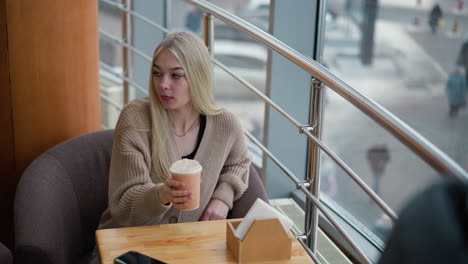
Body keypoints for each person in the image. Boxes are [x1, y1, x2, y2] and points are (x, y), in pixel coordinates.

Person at [98, 32, 251, 229]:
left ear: (198, 77)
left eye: (176, 75)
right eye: (157, 73)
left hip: (187, 246)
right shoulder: (135, 118)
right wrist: (160, 195)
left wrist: (223, 197)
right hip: (129, 247)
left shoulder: (225, 125)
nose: (163, 85)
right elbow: (122, 208)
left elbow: (239, 162)